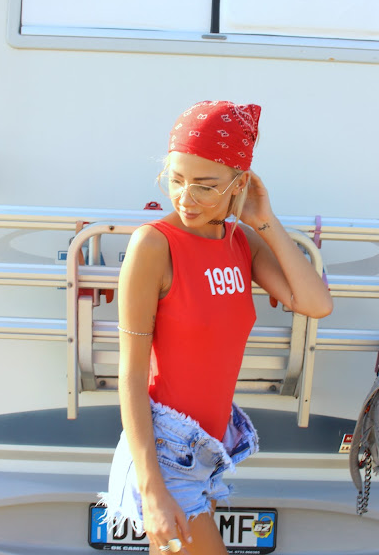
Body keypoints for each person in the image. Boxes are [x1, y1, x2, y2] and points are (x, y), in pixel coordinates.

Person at [99, 100, 333, 555]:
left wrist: (264, 220)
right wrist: (151, 489)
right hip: (165, 453)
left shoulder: (241, 242)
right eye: (177, 180)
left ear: (238, 184)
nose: (186, 198)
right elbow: (131, 375)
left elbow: (315, 303)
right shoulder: (154, 245)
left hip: (206, 450)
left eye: (206, 186)